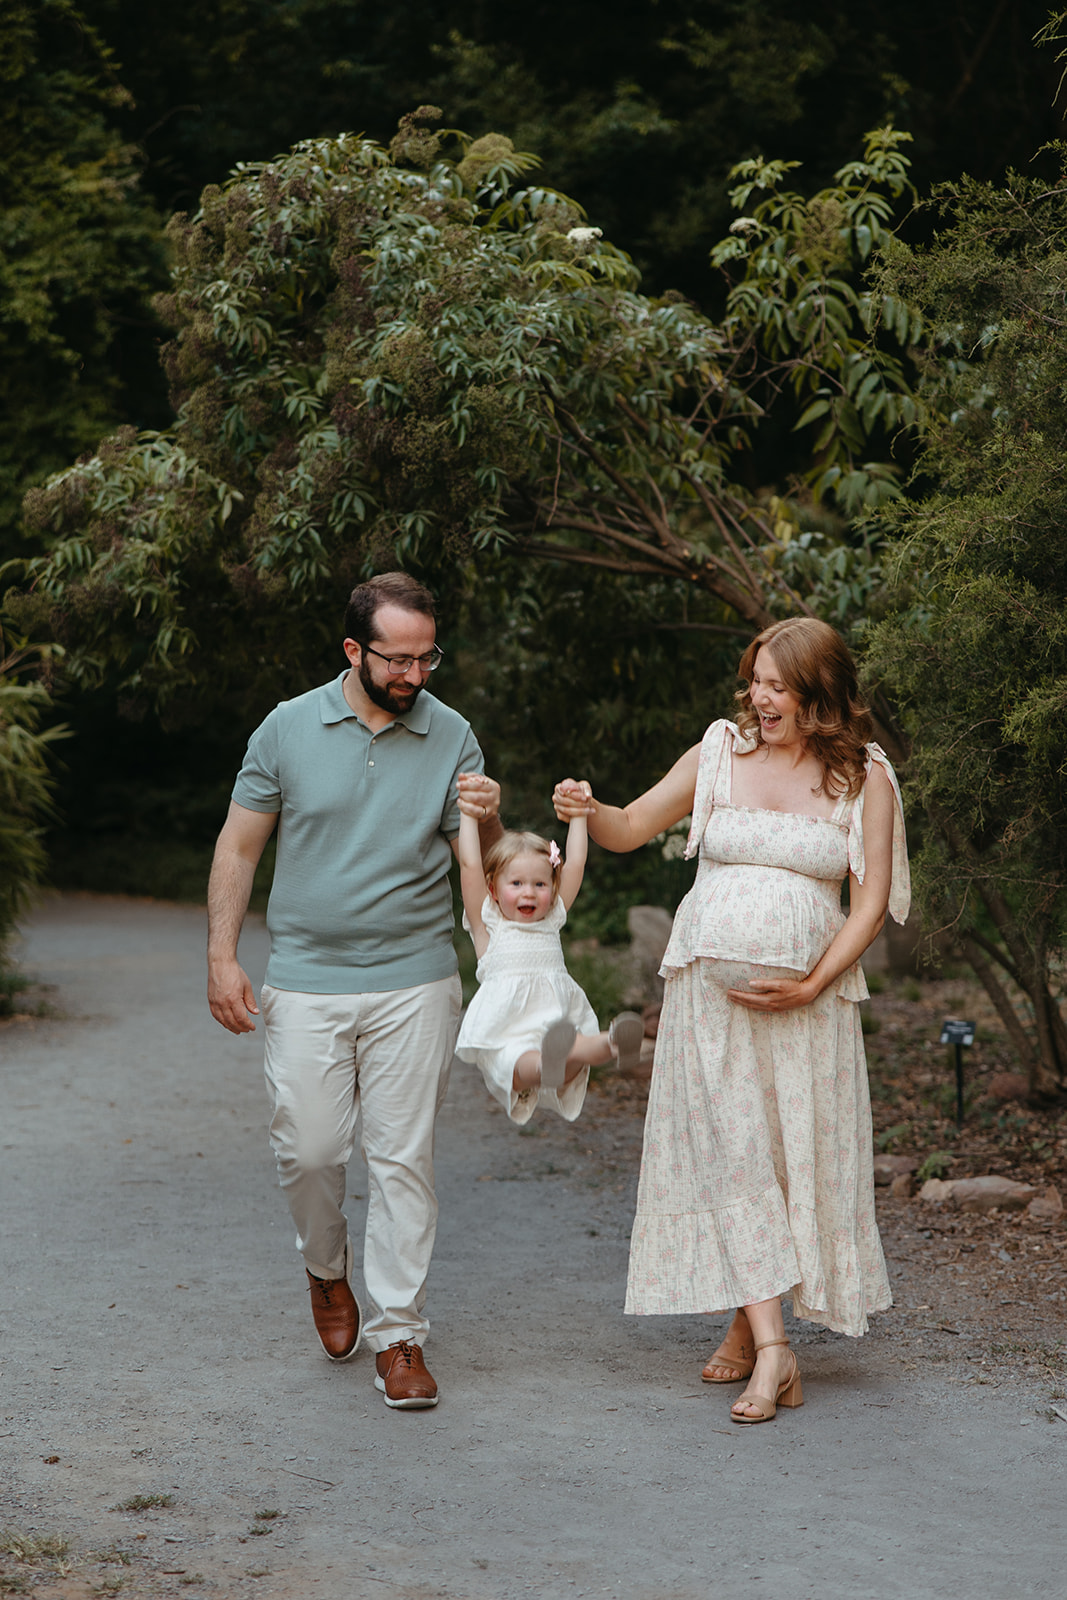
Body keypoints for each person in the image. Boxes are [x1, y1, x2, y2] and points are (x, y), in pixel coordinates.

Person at [553, 617, 909, 1425]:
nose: (759, 696)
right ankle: (774, 1349)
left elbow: (872, 900)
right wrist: (586, 806)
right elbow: (629, 827)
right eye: (754, 680)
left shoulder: (863, 779)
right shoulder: (717, 752)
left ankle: (752, 1329)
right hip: (706, 1003)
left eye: (777, 685)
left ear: (817, 693)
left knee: (780, 1157)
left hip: (806, 1009)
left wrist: (815, 981)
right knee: (731, 1153)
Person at [206, 572, 501, 1410]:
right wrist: (221, 957)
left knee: (403, 1157)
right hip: (305, 978)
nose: (415, 675)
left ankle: (398, 1334)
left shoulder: (452, 736)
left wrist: (488, 821)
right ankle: (325, 1270)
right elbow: (238, 849)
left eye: (427, 657)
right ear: (353, 650)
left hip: (415, 976)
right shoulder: (288, 728)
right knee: (309, 1151)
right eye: (398, 659)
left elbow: (473, 861)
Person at [453, 798, 645, 1124]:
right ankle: (549, 1064)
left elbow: (576, 864)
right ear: (493, 889)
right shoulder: (489, 926)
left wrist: (579, 817)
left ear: (551, 889)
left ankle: (614, 1042)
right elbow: (470, 865)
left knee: (579, 1047)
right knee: (520, 1061)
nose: (529, 893)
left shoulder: (552, 917)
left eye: (540, 884)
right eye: (516, 883)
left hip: (557, 1023)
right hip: (508, 1030)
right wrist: (468, 815)